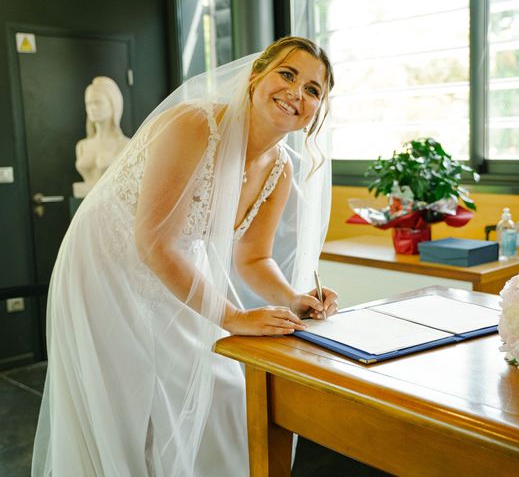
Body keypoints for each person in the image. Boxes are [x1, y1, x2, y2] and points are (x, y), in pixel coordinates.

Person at [32, 36, 338, 476]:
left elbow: (253, 259)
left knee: (226, 390)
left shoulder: (280, 168)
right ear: (256, 77)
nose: (297, 92)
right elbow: (154, 242)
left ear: (317, 110)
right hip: (106, 262)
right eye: (287, 74)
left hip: (175, 266)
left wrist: (294, 298)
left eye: (313, 90)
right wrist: (232, 317)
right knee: (126, 404)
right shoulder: (196, 124)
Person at [73, 76, 130, 198]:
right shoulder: (82, 146)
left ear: (113, 104)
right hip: (84, 205)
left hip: (113, 203)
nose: (92, 108)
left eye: (98, 102)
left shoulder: (125, 144)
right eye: (88, 104)